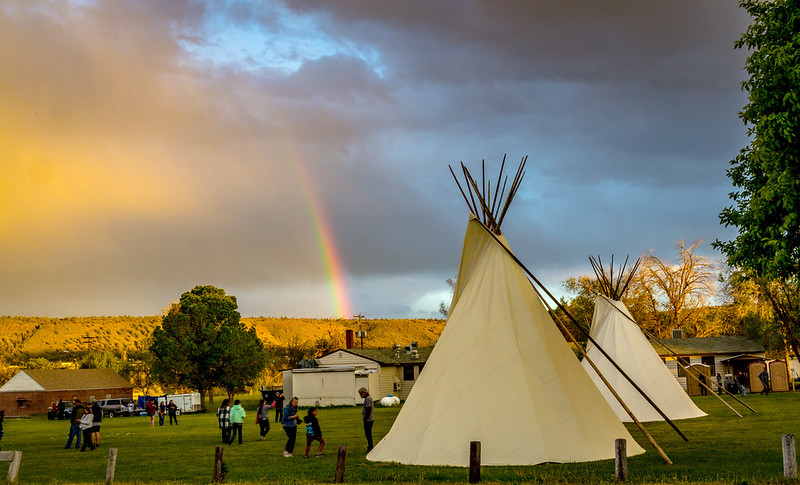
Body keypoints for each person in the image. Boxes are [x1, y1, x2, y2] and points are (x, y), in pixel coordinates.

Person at [358, 387, 374, 452]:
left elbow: (368, 409)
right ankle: (370, 446)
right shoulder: (368, 398)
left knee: (368, 434)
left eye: (360, 394)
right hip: (370, 419)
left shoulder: (367, 399)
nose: (360, 395)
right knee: (368, 434)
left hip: (368, 420)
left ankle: (370, 447)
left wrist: (365, 418)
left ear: (364, 393)